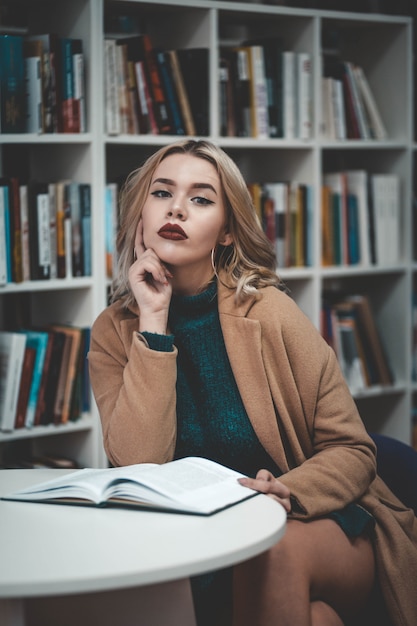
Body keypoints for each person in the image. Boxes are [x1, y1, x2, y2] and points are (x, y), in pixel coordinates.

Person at [88, 139, 417, 626]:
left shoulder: (270, 313)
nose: (177, 207)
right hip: (197, 540)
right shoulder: (114, 330)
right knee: (317, 619)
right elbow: (140, 464)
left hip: (311, 523)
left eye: (201, 199)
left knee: (267, 551)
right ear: (141, 213)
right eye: (162, 193)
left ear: (225, 233)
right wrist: (153, 322)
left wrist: (286, 491)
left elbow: (354, 449)